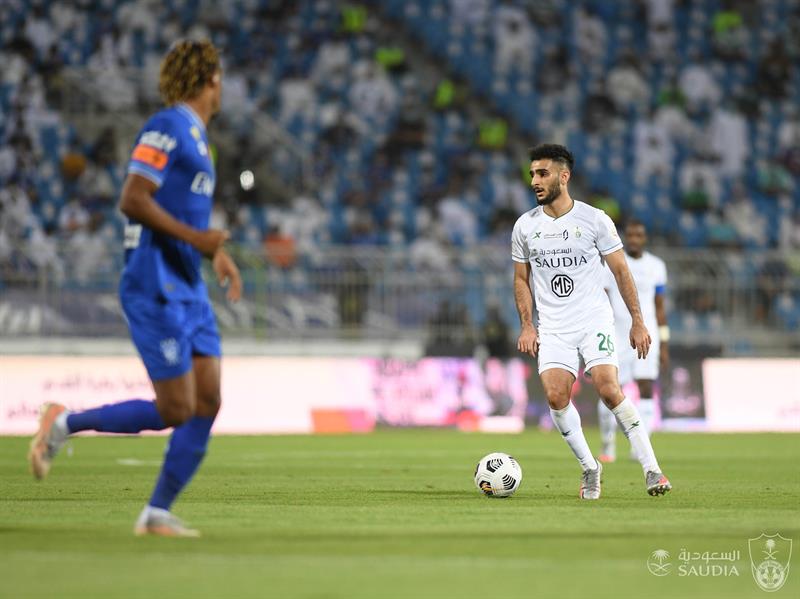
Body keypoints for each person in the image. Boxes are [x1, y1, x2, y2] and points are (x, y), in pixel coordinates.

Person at [28, 40, 242, 537]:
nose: (223, 85)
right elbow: (132, 198)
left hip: (187, 284)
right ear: (210, 79)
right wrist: (200, 239)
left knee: (208, 400)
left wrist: (214, 252)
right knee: (176, 409)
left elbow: (183, 213)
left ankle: (156, 513)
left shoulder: (198, 136)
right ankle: (63, 423)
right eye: (221, 77)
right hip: (154, 282)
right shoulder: (167, 125)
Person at [512, 144, 671, 499]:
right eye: (532, 174)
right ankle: (590, 467)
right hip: (553, 325)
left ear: (563, 177)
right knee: (555, 396)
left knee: (608, 388)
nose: (535, 181)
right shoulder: (525, 226)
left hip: (593, 320)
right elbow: (520, 278)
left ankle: (652, 469)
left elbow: (619, 270)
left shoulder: (595, 219)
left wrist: (638, 322)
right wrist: (527, 324)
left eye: (542, 174)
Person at [598, 220, 669, 463]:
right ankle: (608, 444)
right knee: (609, 389)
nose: (635, 239)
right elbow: (602, 301)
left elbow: (660, 307)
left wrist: (665, 342)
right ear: (625, 237)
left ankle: (640, 447)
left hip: (647, 335)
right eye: (630, 235)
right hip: (616, 335)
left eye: (639, 235)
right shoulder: (611, 265)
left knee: (647, 388)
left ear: (645, 238)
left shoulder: (657, 266)